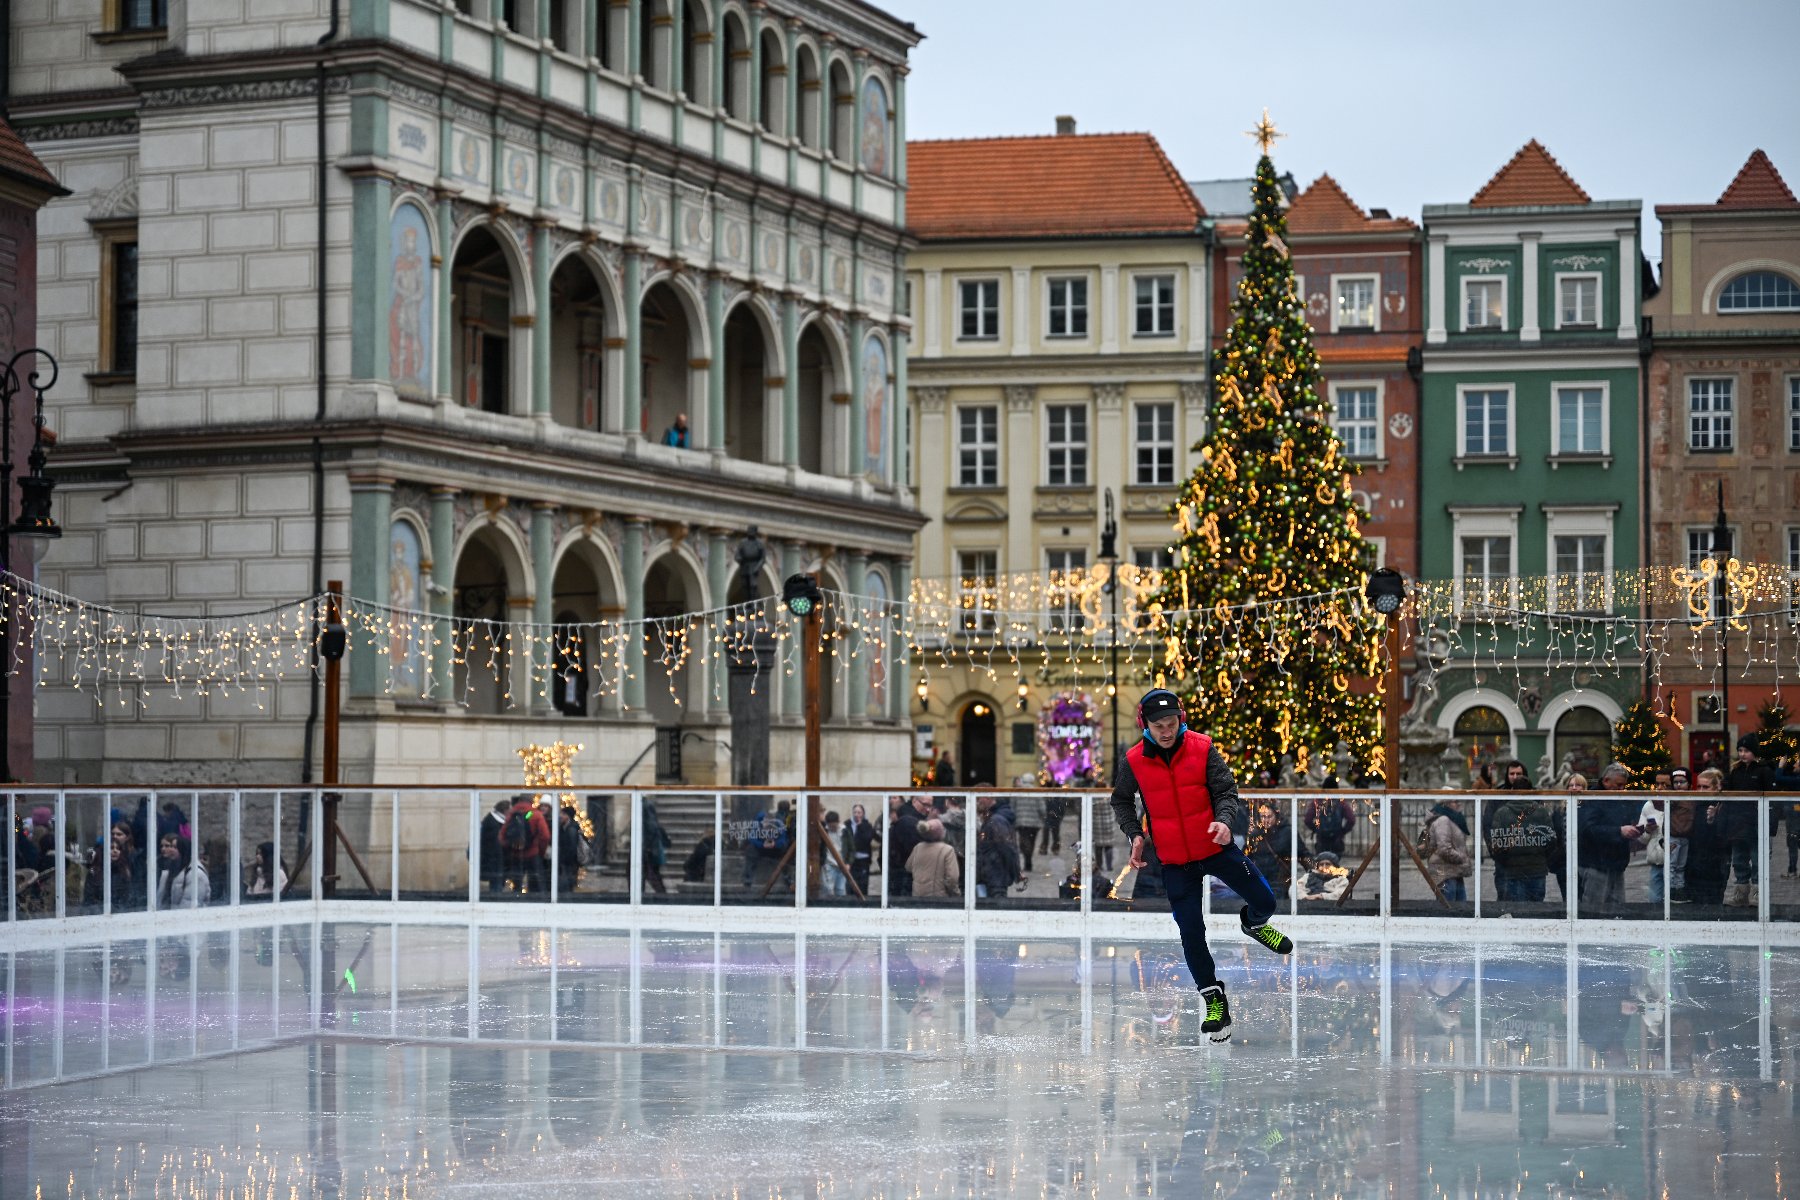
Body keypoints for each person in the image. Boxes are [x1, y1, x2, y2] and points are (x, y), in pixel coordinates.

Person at [1111, 688, 1291, 1044]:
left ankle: (1253, 925)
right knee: (1191, 932)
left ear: (1181, 719)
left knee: (1266, 901)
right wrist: (1134, 834)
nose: (1166, 731)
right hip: (1175, 861)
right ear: (1144, 724)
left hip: (1214, 846)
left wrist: (1224, 821)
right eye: (1158, 725)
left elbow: (1226, 790)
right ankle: (1213, 999)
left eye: (1172, 723)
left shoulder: (1202, 747)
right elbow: (1120, 800)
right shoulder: (1133, 760)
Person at [1576, 764, 1641, 913]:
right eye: (1619, 785)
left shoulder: (1618, 798)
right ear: (1606, 781)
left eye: (1623, 786)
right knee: (1594, 911)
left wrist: (1636, 828)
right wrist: (1619, 831)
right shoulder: (1592, 799)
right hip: (1596, 864)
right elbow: (1588, 830)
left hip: (1615, 864)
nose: (1622, 789)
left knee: (1617, 910)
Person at [1721, 735, 1773, 906]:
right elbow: (1728, 796)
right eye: (1740, 750)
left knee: (1758, 859)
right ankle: (1741, 893)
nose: (1742, 754)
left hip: (1757, 823)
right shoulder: (1735, 771)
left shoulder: (1764, 771)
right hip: (1737, 823)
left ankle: (1758, 893)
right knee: (1739, 860)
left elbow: (1771, 799)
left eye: (1746, 751)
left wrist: (1770, 826)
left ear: (1754, 752)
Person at [1487, 787, 1555, 903]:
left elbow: (1495, 844)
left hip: (1512, 871)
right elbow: (1551, 841)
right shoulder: (1542, 811)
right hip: (1536, 871)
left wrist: (1505, 863)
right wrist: (1542, 859)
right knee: (1537, 912)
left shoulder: (1502, 812)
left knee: (1515, 913)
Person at [1420, 798, 1472, 903]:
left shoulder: (1452, 819)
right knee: (1448, 911)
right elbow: (1444, 849)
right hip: (1445, 873)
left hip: (1453, 871)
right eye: (1455, 801)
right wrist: (1462, 858)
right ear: (1446, 803)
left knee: (1460, 911)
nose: (1459, 803)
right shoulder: (1443, 820)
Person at [975, 795, 1021, 899]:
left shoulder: (995, 820)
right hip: (994, 874)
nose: (977, 802)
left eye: (979, 799)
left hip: (995, 875)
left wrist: (1015, 871)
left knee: (997, 907)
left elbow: (1006, 847)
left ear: (987, 798)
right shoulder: (993, 818)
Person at [907, 819, 961, 898]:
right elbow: (952, 878)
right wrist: (956, 894)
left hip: (917, 897)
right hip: (938, 899)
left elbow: (909, 867)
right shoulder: (947, 850)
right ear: (940, 832)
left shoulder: (918, 847)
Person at [156, 833, 209, 909]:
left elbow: (190, 905)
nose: (171, 850)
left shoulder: (195, 874)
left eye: (175, 847)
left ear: (183, 849)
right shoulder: (170, 871)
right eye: (170, 846)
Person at [1666, 767, 1695, 901]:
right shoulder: (1671, 798)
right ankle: (1670, 890)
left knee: (1681, 866)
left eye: (1682, 782)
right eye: (1676, 782)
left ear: (1689, 783)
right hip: (1673, 836)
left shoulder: (1692, 798)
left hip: (1686, 837)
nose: (1678, 785)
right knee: (1671, 865)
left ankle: (1679, 888)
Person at [1303, 794, 1356, 858]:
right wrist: (1342, 832)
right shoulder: (1341, 802)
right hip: (1336, 839)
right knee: (1335, 863)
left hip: (1321, 839)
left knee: (1322, 862)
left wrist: (1316, 829)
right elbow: (1351, 820)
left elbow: (1307, 820)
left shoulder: (1317, 802)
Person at [844, 803, 876, 896]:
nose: (857, 815)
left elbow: (867, 839)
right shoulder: (847, 824)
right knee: (850, 883)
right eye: (855, 812)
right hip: (851, 859)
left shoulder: (867, 825)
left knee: (862, 883)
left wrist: (860, 826)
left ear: (863, 814)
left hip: (863, 859)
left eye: (859, 812)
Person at [478, 798, 509, 893]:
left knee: (496, 884)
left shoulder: (491, 820)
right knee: (496, 886)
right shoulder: (494, 824)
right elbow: (496, 845)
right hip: (494, 861)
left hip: (493, 860)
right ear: (505, 811)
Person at [820, 810, 848, 897]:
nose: (833, 828)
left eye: (834, 826)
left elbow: (851, 848)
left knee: (840, 889)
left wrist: (848, 863)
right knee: (828, 889)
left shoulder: (844, 831)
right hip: (829, 864)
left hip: (842, 864)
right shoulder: (824, 831)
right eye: (830, 826)